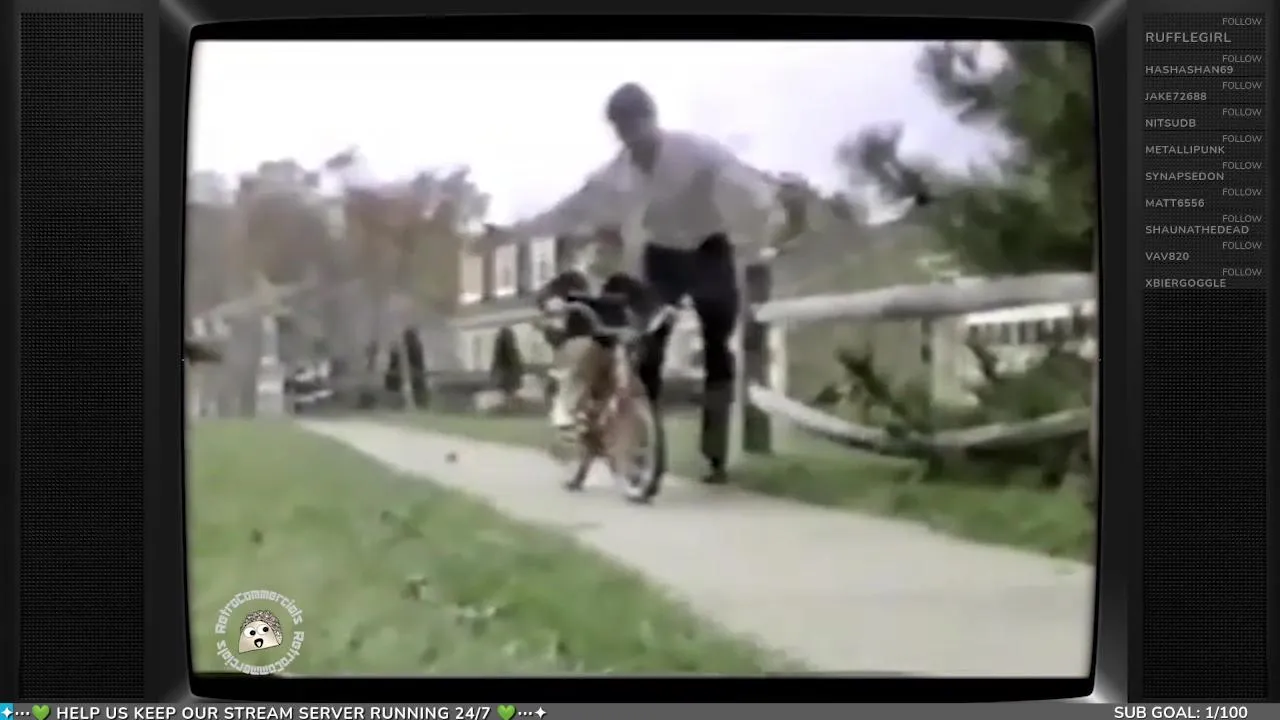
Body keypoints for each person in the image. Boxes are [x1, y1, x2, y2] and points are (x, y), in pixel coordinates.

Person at [475, 82, 794, 485]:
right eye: (623, 131)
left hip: (710, 251)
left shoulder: (695, 151)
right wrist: (513, 233)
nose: (632, 139)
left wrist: (770, 215)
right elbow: (569, 210)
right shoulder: (616, 175)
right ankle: (642, 448)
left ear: (652, 119)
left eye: (636, 127)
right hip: (663, 259)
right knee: (648, 349)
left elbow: (743, 181)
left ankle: (715, 458)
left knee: (718, 348)